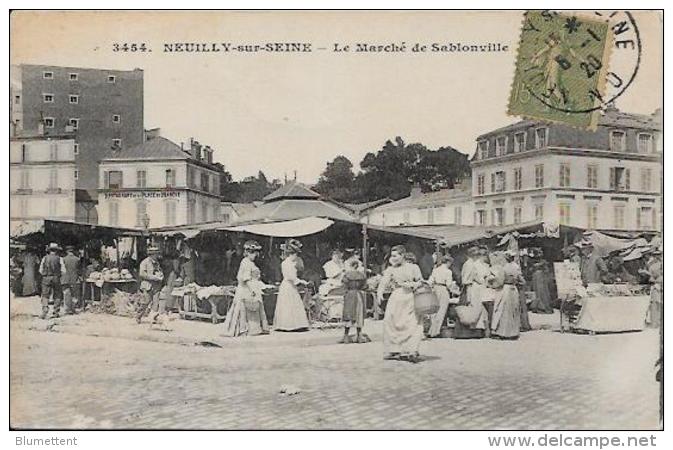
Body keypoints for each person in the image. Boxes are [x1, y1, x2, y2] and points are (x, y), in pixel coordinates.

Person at [377, 245, 424, 363]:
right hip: (396, 297)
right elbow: (383, 282)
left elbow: (420, 281)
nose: (393, 258)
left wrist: (410, 285)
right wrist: (379, 293)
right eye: (392, 256)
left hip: (409, 297)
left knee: (411, 322)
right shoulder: (391, 269)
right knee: (392, 322)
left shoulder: (413, 267)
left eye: (395, 256)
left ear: (402, 255)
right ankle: (395, 348)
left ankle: (411, 350)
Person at [222, 240, 270, 337]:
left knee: (253, 307)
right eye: (252, 253)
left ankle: (254, 328)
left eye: (256, 253)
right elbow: (246, 278)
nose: (255, 255)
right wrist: (252, 289)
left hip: (252, 286)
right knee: (245, 308)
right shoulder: (246, 262)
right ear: (247, 253)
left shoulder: (250, 263)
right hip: (246, 288)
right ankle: (244, 329)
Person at [274, 239, 310, 331]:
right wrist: (302, 282)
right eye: (295, 254)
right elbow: (291, 277)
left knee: (294, 304)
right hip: (287, 285)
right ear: (291, 254)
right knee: (288, 304)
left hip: (291, 285)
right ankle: (287, 325)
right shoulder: (286, 263)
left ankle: (296, 324)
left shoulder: (291, 263)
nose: (296, 257)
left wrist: (301, 281)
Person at [453, 246, 488, 339]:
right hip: (469, 288)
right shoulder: (469, 264)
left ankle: (471, 331)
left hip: (470, 288)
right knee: (468, 309)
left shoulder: (470, 263)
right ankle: (466, 332)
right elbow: (466, 279)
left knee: (471, 309)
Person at [491, 250, 523, 339]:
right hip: (514, 289)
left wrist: (493, 284)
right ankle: (514, 332)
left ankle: (504, 333)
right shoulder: (516, 267)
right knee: (514, 310)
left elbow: (500, 281)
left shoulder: (504, 268)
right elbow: (521, 280)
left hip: (506, 289)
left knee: (504, 310)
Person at [339, 258, 370, 344]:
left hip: (349, 295)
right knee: (359, 315)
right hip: (359, 294)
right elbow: (365, 287)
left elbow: (343, 286)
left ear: (351, 266)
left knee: (348, 315)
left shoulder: (347, 275)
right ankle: (359, 335)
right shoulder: (362, 275)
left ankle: (346, 336)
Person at [427, 253, 459, 337]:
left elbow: (430, 281)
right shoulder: (448, 272)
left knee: (434, 311)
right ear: (448, 262)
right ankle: (435, 332)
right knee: (441, 311)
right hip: (443, 289)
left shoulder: (435, 270)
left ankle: (431, 330)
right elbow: (449, 284)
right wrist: (455, 291)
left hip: (435, 289)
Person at [135, 246, 165, 324]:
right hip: (147, 285)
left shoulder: (157, 263)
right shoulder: (144, 262)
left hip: (156, 286)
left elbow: (159, 271)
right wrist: (153, 277)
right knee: (145, 302)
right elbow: (142, 274)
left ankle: (153, 318)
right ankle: (138, 316)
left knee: (156, 303)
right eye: (156, 253)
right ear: (151, 254)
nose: (157, 255)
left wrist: (160, 275)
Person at [38, 243, 67, 319]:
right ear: (57, 251)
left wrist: (45, 274)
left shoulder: (45, 258)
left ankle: (45, 310)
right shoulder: (59, 258)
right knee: (57, 294)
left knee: (45, 294)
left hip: (46, 278)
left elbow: (40, 270)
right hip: (56, 278)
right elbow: (64, 270)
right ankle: (56, 312)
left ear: (49, 250)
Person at [642, 249, 662, 328]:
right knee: (655, 304)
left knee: (656, 304)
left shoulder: (654, 265)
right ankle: (655, 323)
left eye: (659, 254)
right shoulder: (652, 265)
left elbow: (654, 277)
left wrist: (648, 275)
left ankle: (656, 323)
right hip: (656, 285)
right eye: (656, 254)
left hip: (657, 285)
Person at [61, 245, 81, 315]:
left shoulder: (63, 259)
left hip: (65, 278)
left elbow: (62, 270)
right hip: (74, 278)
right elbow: (78, 269)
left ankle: (67, 309)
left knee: (66, 294)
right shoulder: (77, 259)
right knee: (74, 295)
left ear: (67, 251)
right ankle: (73, 308)